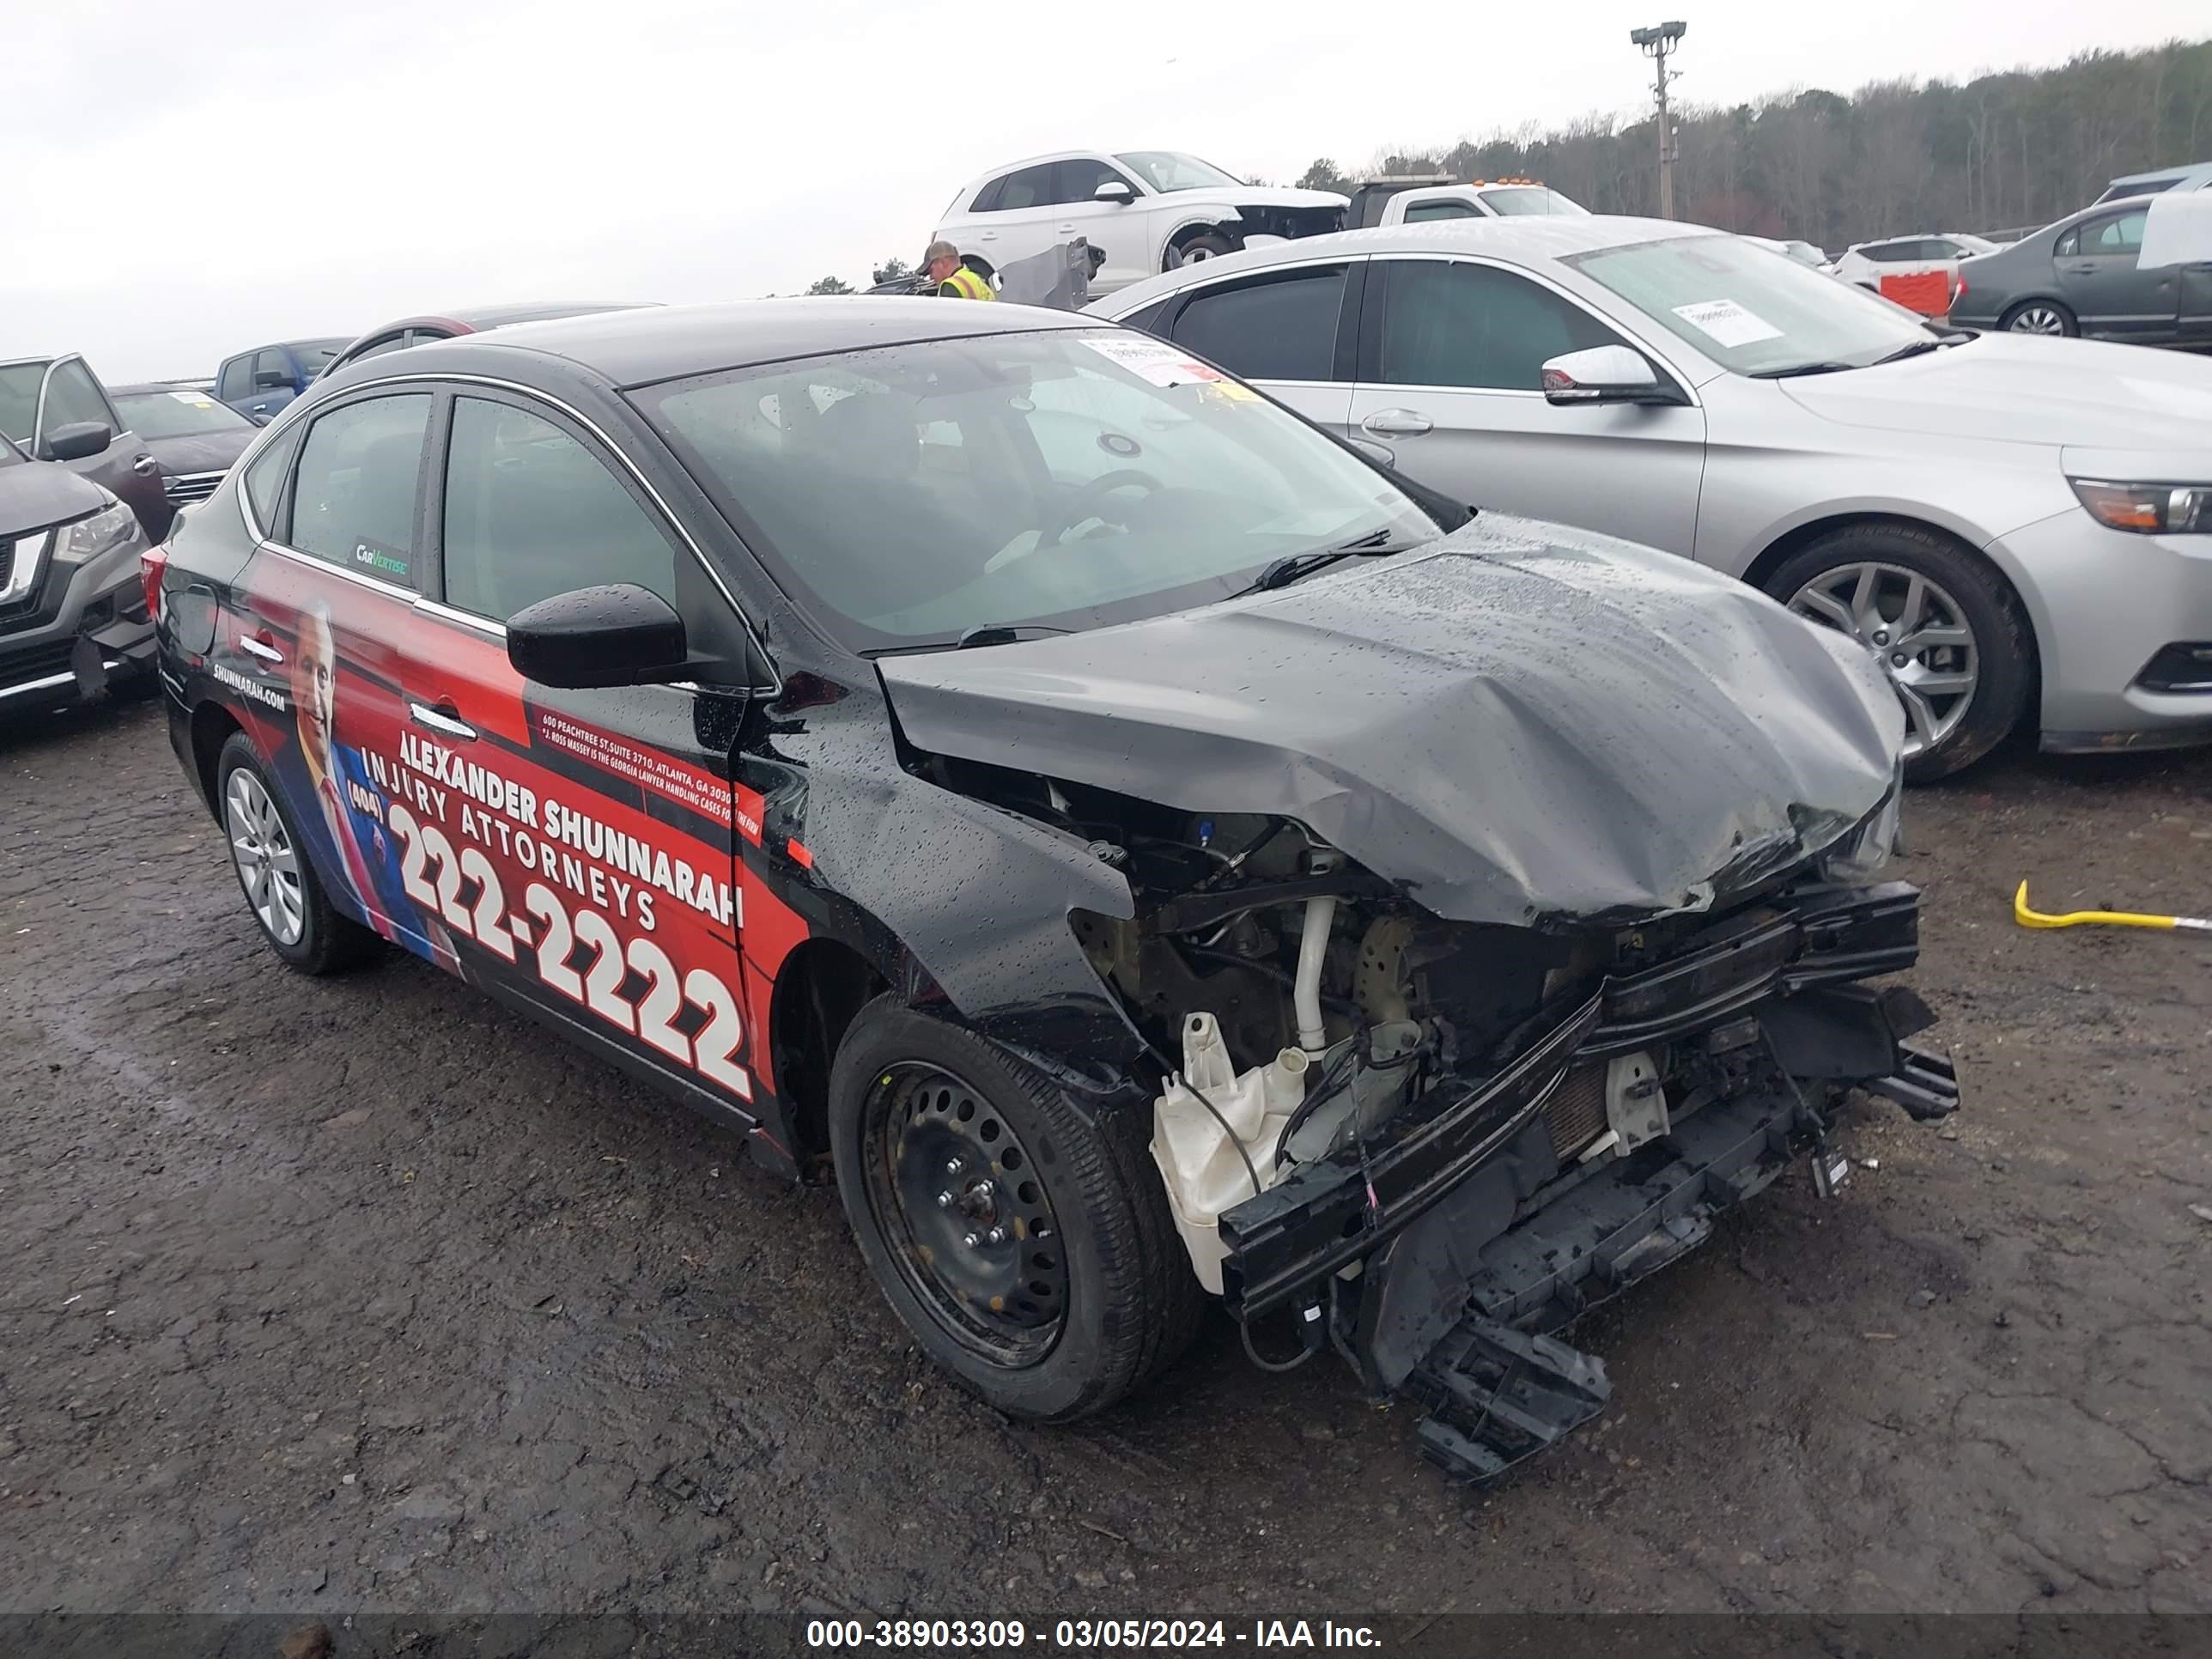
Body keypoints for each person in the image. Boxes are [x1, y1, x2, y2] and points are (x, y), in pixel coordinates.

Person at [923, 240, 994, 301]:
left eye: (931, 271)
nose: (931, 277)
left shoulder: (950, 285)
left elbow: (947, 316)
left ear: (944, 263)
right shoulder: (976, 279)